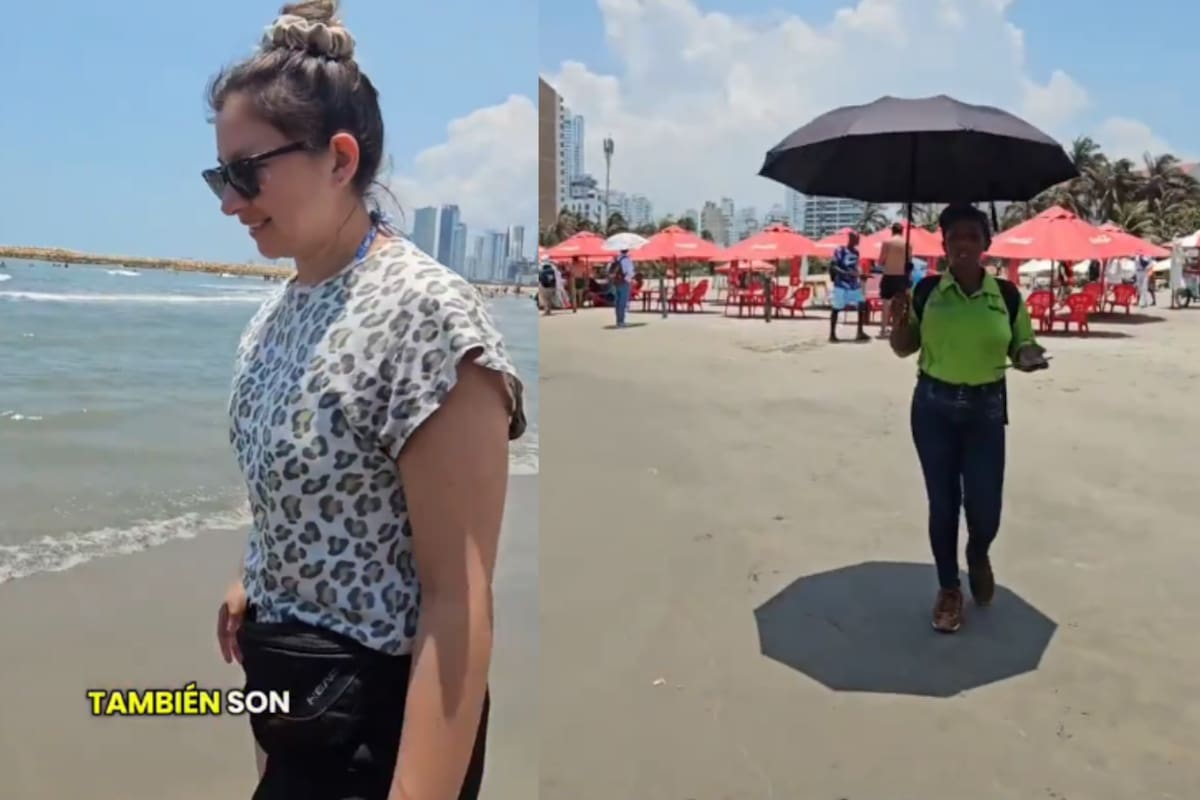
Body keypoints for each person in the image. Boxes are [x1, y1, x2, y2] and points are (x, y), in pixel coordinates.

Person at [207, 3, 526, 797]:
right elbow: (316, 490)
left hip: (378, 730)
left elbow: (458, 600)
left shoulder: (428, 316)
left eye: (246, 172)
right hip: (288, 702)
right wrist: (260, 579)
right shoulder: (275, 315)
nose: (229, 202)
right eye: (219, 176)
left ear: (339, 159)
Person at [888, 204, 1048, 634]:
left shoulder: (1007, 296)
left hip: (986, 411)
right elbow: (903, 348)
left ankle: (977, 553)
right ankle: (948, 588)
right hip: (932, 408)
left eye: (972, 236)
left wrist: (1028, 356)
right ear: (943, 245)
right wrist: (898, 320)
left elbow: (1022, 344)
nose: (962, 243)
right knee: (943, 503)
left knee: (985, 507)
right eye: (954, 236)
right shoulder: (926, 291)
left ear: (986, 244)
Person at [829, 231, 869, 342]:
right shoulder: (840, 250)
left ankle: (859, 332)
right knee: (836, 308)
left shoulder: (856, 252)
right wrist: (846, 273)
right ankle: (832, 334)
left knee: (861, 304)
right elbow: (833, 266)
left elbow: (855, 267)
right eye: (857, 238)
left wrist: (861, 275)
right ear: (851, 238)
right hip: (841, 284)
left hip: (854, 284)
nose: (858, 241)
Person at [877, 222, 912, 337]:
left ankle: (883, 330)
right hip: (902, 277)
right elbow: (909, 263)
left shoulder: (887, 242)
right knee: (899, 305)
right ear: (902, 231)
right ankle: (896, 330)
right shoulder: (907, 244)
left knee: (886, 304)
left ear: (892, 231)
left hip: (889, 274)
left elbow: (881, 261)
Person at [609, 248, 635, 327]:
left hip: (616, 282)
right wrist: (628, 279)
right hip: (624, 282)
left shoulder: (615, 259)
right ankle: (621, 321)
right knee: (623, 302)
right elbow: (630, 272)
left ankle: (618, 320)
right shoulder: (627, 260)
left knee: (617, 302)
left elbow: (609, 270)